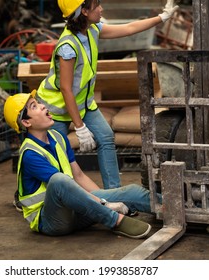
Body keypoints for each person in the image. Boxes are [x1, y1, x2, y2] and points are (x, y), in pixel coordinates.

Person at [36, 0, 179, 190]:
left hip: (84, 104)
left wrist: (161, 18)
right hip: (56, 109)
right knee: (55, 155)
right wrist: (79, 127)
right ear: (84, 11)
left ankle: (115, 193)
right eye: (97, 5)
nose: (101, 9)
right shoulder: (67, 46)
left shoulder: (92, 30)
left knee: (106, 138)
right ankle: (43, 195)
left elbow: (129, 28)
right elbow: (66, 89)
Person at [3, 90, 161, 239]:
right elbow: (62, 185)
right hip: (53, 221)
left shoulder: (58, 137)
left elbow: (78, 176)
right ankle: (116, 221)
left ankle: (172, 208)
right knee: (60, 180)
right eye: (34, 106)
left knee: (131, 192)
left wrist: (104, 200)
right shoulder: (30, 153)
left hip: (75, 211)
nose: (43, 106)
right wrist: (105, 205)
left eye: (38, 102)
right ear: (25, 122)